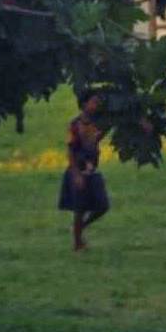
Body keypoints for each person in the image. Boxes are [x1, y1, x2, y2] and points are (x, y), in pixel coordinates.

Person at [59, 89, 110, 251]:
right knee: (79, 209)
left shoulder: (99, 123)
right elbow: (71, 151)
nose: (97, 105)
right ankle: (77, 243)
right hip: (78, 171)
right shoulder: (75, 125)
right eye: (93, 102)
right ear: (83, 105)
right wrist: (76, 175)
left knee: (103, 205)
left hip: (92, 170)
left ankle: (80, 228)